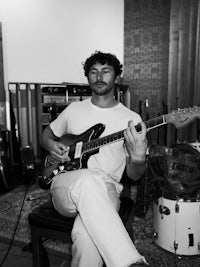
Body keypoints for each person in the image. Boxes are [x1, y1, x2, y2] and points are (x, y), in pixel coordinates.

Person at [41, 51, 148, 267]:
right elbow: (46, 136)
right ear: (88, 77)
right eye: (93, 72)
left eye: (106, 71)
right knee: (89, 179)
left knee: (87, 239)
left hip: (107, 189)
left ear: (117, 78)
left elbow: (134, 176)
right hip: (65, 184)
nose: (99, 76)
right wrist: (52, 145)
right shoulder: (74, 109)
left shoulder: (131, 119)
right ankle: (129, 262)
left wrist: (137, 160)